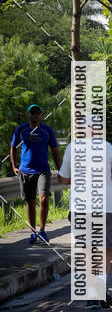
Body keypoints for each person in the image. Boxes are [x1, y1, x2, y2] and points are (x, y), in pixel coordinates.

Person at [58, 122, 112, 309]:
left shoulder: (72, 148)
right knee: (106, 250)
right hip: (104, 208)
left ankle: (91, 293)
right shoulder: (106, 147)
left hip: (79, 208)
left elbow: (63, 178)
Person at [10, 104, 61, 244]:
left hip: (43, 170)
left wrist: (60, 169)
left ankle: (42, 230)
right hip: (26, 170)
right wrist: (14, 166)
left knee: (44, 199)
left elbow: (55, 150)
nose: (35, 114)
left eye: (38, 112)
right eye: (33, 112)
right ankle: (33, 232)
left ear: (41, 114)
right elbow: (13, 147)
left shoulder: (47, 130)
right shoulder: (21, 129)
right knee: (30, 202)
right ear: (29, 114)